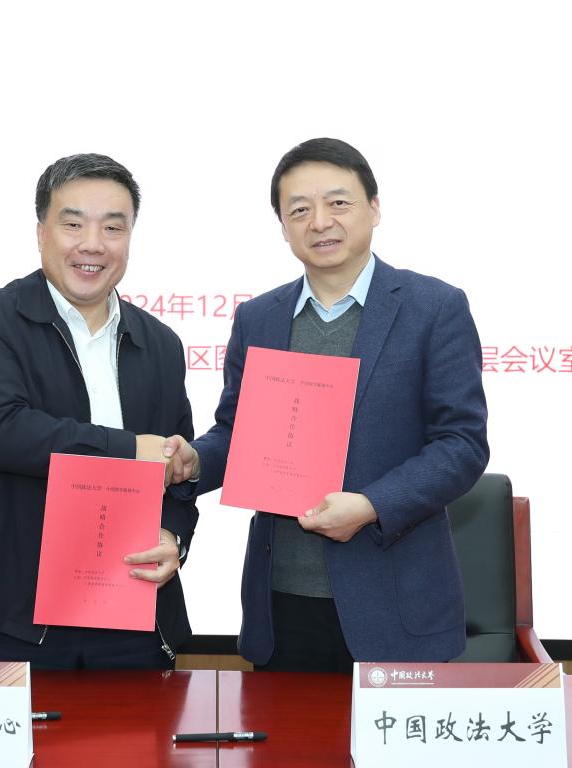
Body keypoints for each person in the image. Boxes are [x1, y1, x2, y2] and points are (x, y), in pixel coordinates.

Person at [163, 138, 488, 670]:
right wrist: (195, 460)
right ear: (283, 226)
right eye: (299, 210)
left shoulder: (434, 308)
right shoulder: (259, 318)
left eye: (338, 202)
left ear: (374, 208)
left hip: (395, 602)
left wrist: (372, 505)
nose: (319, 222)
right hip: (282, 602)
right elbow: (236, 432)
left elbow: (462, 445)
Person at [0, 153, 198, 668]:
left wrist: (172, 535)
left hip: (134, 612)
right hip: (18, 619)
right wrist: (128, 449)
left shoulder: (161, 343)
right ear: (42, 232)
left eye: (113, 227)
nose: (93, 244)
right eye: (73, 224)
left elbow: (177, 464)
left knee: (139, 729)